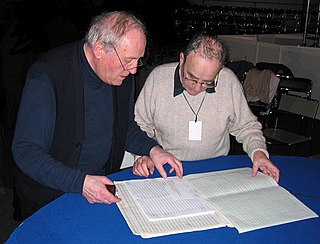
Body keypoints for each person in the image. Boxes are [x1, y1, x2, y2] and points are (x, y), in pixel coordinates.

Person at [11, 11, 183, 220]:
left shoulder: (121, 75)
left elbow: (125, 128)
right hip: (49, 197)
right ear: (99, 48)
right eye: (128, 60)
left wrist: (153, 149)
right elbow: (26, 152)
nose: (134, 70)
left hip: (98, 188)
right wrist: (81, 183)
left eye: (138, 60)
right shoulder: (48, 75)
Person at [133, 34, 280, 182]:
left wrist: (258, 152)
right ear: (182, 59)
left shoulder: (228, 81)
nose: (196, 88)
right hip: (167, 166)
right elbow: (140, 126)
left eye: (206, 82)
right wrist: (144, 155)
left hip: (215, 170)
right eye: (191, 77)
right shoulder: (158, 79)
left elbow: (247, 127)